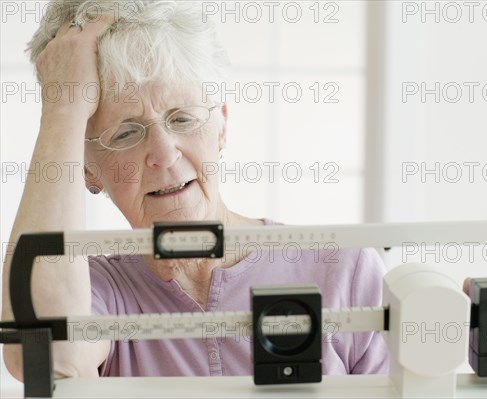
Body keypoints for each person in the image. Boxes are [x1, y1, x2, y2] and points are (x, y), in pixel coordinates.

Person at [1, 0, 389, 379]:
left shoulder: (344, 270)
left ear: (222, 126)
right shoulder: (97, 291)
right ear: (86, 169)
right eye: (126, 133)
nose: (164, 154)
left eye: (182, 118)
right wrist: (64, 109)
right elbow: (44, 356)